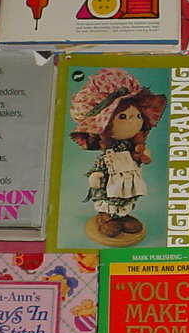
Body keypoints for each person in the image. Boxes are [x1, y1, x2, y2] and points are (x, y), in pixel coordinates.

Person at [69, 68, 167, 240]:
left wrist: (143, 155)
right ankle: (106, 217)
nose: (134, 121)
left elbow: (140, 159)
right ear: (104, 125)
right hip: (110, 182)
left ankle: (122, 216)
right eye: (123, 116)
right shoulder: (108, 152)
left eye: (138, 116)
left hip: (128, 181)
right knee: (109, 197)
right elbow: (100, 165)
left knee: (127, 196)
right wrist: (96, 174)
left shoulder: (132, 147)